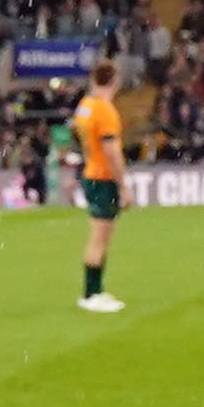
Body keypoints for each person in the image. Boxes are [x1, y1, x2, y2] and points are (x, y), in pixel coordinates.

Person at [65, 68, 132, 310]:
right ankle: (91, 293)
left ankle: (96, 290)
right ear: (114, 81)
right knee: (100, 238)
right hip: (103, 177)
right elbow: (112, 152)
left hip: (91, 173)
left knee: (99, 236)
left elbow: (79, 135)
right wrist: (124, 186)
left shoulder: (85, 105)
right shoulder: (105, 110)